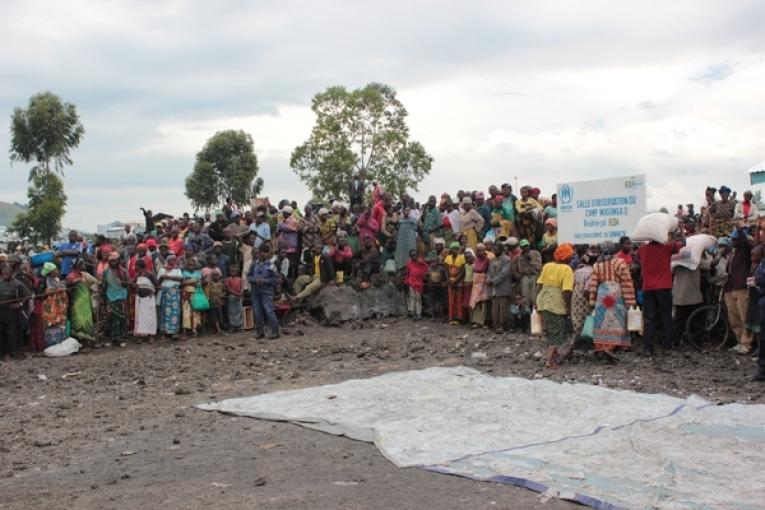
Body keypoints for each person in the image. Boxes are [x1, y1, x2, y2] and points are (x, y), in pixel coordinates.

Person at [588, 241, 636, 355]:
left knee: (603, 321)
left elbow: (593, 285)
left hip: (602, 298)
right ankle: (621, 345)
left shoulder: (597, 265)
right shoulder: (620, 263)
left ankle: (603, 345)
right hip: (617, 296)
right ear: (614, 250)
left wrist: (592, 301)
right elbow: (627, 282)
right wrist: (630, 301)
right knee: (619, 320)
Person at [639, 237, 681, 355]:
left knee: (649, 318)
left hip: (647, 288)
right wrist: (679, 231)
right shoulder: (667, 247)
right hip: (664, 287)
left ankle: (648, 347)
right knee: (666, 316)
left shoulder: (642, 249)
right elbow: (683, 243)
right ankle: (667, 345)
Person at [536, 244, 575, 368]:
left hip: (543, 300)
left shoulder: (547, 266)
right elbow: (567, 290)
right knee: (557, 332)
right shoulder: (566, 269)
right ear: (567, 257)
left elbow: (539, 284)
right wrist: (568, 307)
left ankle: (555, 355)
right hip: (556, 303)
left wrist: (535, 301)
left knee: (551, 330)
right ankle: (550, 361)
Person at [725, 227, 754, 354]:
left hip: (742, 287)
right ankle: (739, 341)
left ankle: (746, 344)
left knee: (744, 317)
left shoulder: (745, 250)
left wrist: (740, 228)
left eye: (735, 238)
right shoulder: (733, 253)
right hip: (732, 287)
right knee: (734, 318)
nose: (733, 240)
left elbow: (743, 241)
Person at [248, 244, 280, 339]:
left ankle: (275, 331)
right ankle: (260, 332)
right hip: (255, 291)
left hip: (267, 291)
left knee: (269, 311)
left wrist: (264, 281)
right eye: (264, 252)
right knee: (257, 312)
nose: (265, 254)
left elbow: (276, 279)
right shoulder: (254, 264)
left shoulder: (271, 265)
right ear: (259, 253)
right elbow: (248, 276)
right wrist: (255, 280)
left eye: (267, 252)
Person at [0, 264, 31, 360]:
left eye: (7, 274)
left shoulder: (17, 284)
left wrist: (20, 304)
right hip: (1, 311)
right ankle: (2, 353)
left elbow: (28, 294)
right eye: (3, 273)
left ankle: (11, 353)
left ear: (11, 274)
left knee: (11, 333)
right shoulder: (0, 282)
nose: (5, 275)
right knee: (1, 333)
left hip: (11, 312)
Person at [65, 258, 97, 345]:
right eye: (83, 264)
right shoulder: (70, 276)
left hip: (85, 302)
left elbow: (94, 282)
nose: (84, 266)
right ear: (78, 266)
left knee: (86, 320)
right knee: (78, 320)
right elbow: (68, 289)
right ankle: (79, 339)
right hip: (77, 303)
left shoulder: (83, 275)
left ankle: (87, 339)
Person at [101, 253, 128, 345]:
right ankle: (114, 337)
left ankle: (122, 337)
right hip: (110, 296)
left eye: (115, 260)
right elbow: (104, 286)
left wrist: (123, 280)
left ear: (118, 261)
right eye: (112, 261)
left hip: (121, 296)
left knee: (122, 317)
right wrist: (103, 297)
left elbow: (127, 284)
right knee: (112, 317)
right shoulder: (106, 272)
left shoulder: (123, 271)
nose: (114, 262)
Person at [487, 242, 513, 332]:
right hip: (493, 288)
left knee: (503, 308)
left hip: (503, 287)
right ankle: (495, 324)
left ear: (501, 250)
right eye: (493, 249)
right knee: (495, 308)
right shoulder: (492, 260)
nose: (494, 250)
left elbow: (504, 273)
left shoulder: (507, 259)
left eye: (496, 249)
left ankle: (502, 325)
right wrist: (488, 279)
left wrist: (493, 281)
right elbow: (489, 272)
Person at [157, 254, 183, 339]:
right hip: (165, 292)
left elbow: (180, 278)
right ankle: (164, 332)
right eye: (171, 260)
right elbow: (159, 281)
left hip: (175, 292)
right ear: (167, 260)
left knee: (175, 312)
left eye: (174, 260)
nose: (173, 261)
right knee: (164, 312)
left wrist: (167, 276)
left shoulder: (177, 269)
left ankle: (174, 332)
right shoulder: (162, 269)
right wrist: (163, 277)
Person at [512, 239, 543, 310]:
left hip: (535, 276)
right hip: (524, 278)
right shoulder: (518, 257)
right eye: (523, 246)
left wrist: (530, 260)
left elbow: (539, 266)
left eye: (526, 246)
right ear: (520, 247)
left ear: (529, 245)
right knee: (525, 297)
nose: (525, 248)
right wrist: (518, 276)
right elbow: (513, 269)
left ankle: (534, 313)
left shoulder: (536, 253)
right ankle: (526, 314)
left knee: (534, 297)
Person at [134, 259, 158, 342]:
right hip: (140, 298)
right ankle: (141, 335)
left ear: (139, 266)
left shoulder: (150, 274)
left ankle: (151, 335)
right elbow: (133, 283)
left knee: (150, 316)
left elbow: (157, 285)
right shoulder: (137, 275)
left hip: (149, 298)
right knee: (140, 317)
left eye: (136, 265)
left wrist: (153, 292)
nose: (134, 267)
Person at [469, 243, 492, 327]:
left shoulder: (488, 260)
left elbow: (489, 272)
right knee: (476, 302)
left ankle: (483, 321)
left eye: (482, 250)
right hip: (475, 283)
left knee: (483, 302)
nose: (480, 252)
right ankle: (476, 320)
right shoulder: (476, 259)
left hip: (483, 283)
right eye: (478, 250)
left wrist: (486, 280)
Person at [443, 242, 466, 325]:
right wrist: (448, 280)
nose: (455, 250)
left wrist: (456, 280)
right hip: (450, 281)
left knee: (459, 300)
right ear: (451, 249)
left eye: (457, 249)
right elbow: (445, 270)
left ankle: (459, 318)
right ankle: (451, 318)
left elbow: (463, 271)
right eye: (454, 249)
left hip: (459, 281)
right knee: (451, 300)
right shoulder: (447, 258)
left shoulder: (462, 258)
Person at [403, 250, 429, 320]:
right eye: (412, 255)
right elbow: (407, 273)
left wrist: (422, 262)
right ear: (410, 256)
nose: (414, 256)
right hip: (411, 282)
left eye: (415, 254)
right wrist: (406, 282)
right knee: (412, 298)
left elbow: (427, 269)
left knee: (418, 298)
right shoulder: (409, 264)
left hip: (419, 283)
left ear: (417, 255)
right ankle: (413, 313)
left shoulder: (421, 262)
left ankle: (419, 314)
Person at [181, 258, 203, 337]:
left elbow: (199, 284)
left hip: (195, 294)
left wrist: (188, 281)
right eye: (189, 264)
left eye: (193, 264)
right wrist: (193, 281)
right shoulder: (184, 273)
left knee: (195, 312)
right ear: (187, 265)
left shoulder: (198, 273)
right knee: (186, 312)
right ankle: (185, 331)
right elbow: (182, 283)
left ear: (195, 265)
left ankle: (195, 330)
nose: (191, 266)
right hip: (185, 295)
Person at [206, 270, 226, 335]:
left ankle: (221, 328)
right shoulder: (210, 284)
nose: (216, 277)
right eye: (215, 275)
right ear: (212, 276)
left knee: (220, 316)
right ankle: (218, 329)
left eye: (217, 275)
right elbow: (207, 292)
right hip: (212, 302)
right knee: (214, 316)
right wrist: (208, 298)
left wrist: (222, 295)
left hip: (220, 303)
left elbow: (225, 292)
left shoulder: (222, 284)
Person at [225, 266, 244, 332]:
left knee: (239, 311)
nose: (233, 272)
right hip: (232, 296)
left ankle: (240, 326)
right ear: (230, 272)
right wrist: (237, 294)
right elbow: (229, 289)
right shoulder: (228, 279)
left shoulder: (240, 279)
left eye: (235, 271)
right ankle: (232, 326)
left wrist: (240, 293)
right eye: (232, 271)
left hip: (239, 297)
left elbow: (242, 287)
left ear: (237, 271)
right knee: (232, 312)